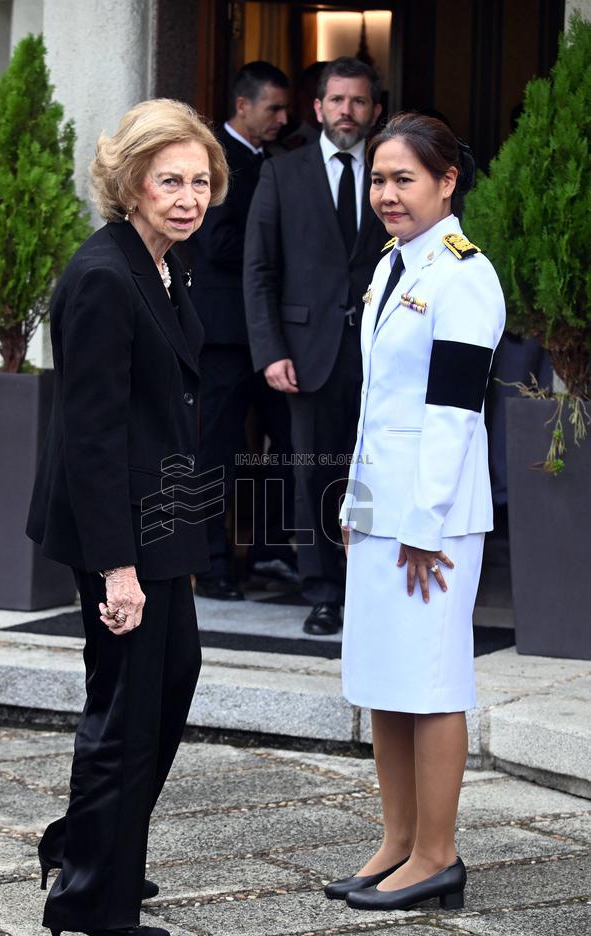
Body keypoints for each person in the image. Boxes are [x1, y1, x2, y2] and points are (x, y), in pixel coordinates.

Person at [26, 99, 228, 936]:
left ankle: (88, 846)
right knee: (125, 706)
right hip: (118, 529)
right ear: (130, 184)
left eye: (200, 180)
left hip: (158, 518)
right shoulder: (105, 276)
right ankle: (93, 904)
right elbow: (95, 439)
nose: (188, 196)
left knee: (170, 677)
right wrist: (118, 571)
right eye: (169, 180)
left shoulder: (163, 262)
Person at [325, 113, 505, 911]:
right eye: (377, 179)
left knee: (430, 683)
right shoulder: (396, 265)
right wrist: (359, 504)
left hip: (431, 520)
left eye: (404, 179)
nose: (387, 195)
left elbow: (453, 414)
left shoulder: (464, 276)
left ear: (446, 181)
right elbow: (377, 405)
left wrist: (425, 526)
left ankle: (438, 854)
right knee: (385, 679)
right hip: (383, 510)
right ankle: (397, 841)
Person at [244, 57, 386, 636]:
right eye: (337, 100)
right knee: (313, 475)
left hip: (382, 351)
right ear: (318, 108)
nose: (346, 111)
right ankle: (325, 593)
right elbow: (259, 271)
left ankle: (373, 592)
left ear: (375, 111)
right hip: (305, 354)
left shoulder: (394, 170)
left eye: (358, 101)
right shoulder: (283, 173)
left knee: (378, 473)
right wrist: (269, 350)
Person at [190, 61, 297, 601]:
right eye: (273, 108)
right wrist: (283, 260)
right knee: (217, 449)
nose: (283, 117)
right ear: (243, 107)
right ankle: (210, 566)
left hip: (268, 336)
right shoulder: (213, 161)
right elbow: (217, 243)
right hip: (223, 334)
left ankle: (272, 551)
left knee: (295, 440)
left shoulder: (270, 159)